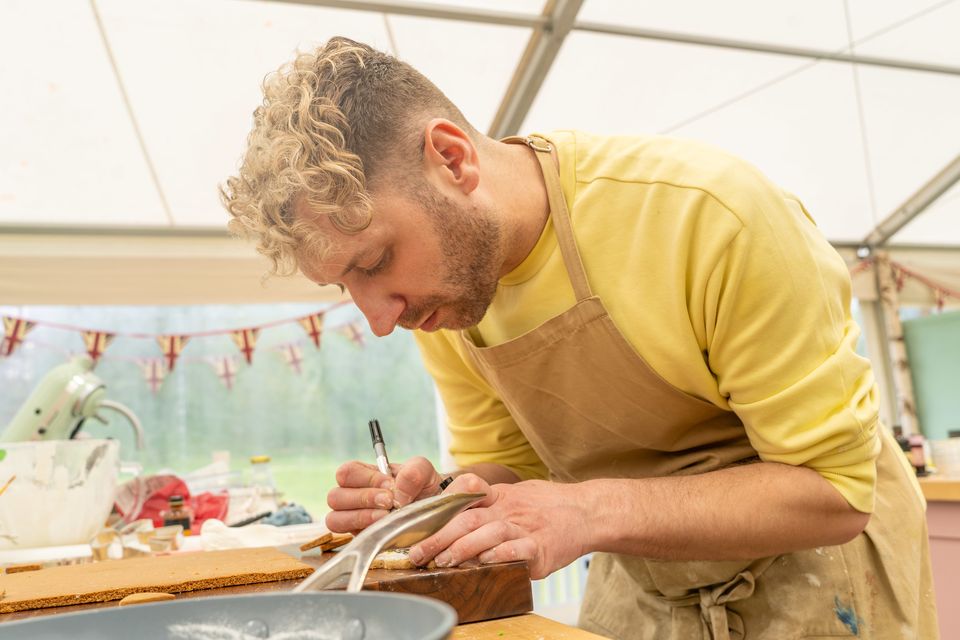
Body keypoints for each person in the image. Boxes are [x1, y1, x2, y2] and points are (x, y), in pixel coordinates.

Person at [222, 37, 938, 639]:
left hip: (818, 567)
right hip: (646, 572)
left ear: (453, 159)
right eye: (347, 286)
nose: (379, 317)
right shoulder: (443, 300)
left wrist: (589, 510)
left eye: (375, 262)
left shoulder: (709, 217)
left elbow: (835, 494)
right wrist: (438, 503)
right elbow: (508, 467)